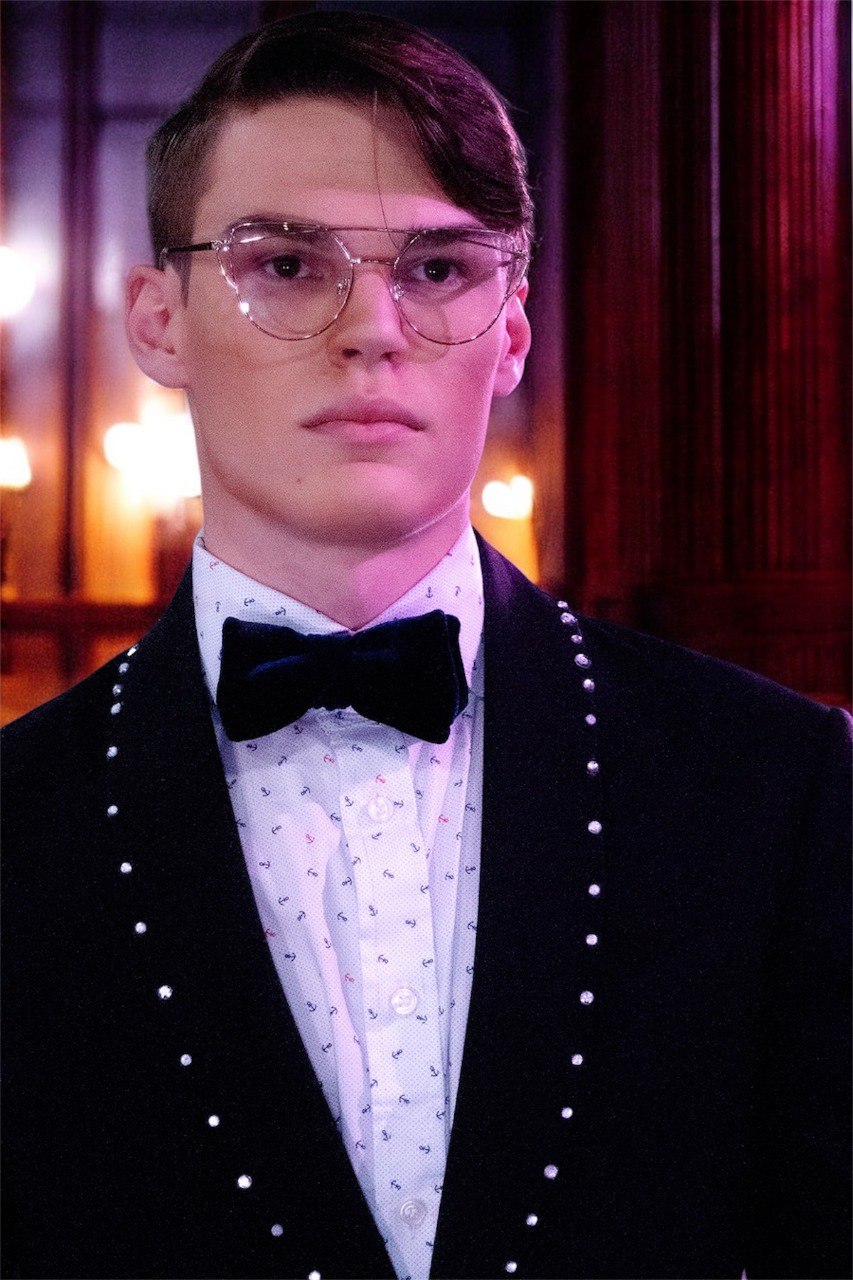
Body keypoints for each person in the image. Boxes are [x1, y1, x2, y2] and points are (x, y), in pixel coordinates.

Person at [2, 11, 849, 1280]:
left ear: (511, 330)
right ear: (158, 318)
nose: (372, 327)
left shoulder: (771, 785)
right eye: (287, 263)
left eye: (438, 267)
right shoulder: (17, 828)